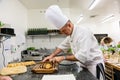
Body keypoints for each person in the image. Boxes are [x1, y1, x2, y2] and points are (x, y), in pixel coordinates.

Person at [43, 5, 104, 77]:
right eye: (61, 31)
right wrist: (51, 56)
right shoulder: (71, 34)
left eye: (63, 31)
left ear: (69, 25)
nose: (63, 33)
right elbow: (62, 46)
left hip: (94, 65)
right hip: (83, 65)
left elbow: (82, 56)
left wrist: (63, 58)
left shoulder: (83, 32)